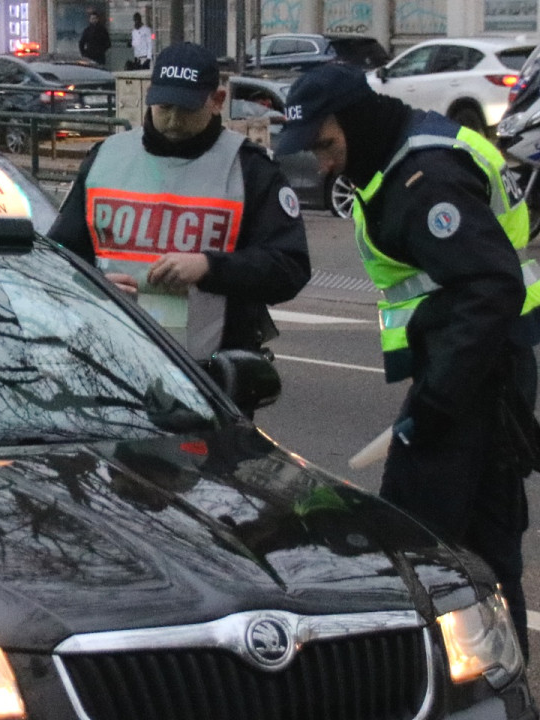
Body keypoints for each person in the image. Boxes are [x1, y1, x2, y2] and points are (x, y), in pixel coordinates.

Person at [276, 63, 540, 661]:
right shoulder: (404, 153)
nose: (322, 165)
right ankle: (499, 680)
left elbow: (488, 287)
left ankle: (446, 679)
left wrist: (435, 402)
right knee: (483, 540)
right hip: (472, 363)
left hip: (475, 373)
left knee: (421, 540)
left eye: (327, 145)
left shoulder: (426, 178)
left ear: (360, 121)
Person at [48, 42, 310, 371]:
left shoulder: (249, 169)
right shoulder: (105, 160)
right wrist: (92, 284)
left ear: (217, 101)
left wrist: (209, 268)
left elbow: (289, 268)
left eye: (186, 109)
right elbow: (58, 257)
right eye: (164, 106)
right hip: (114, 365)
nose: (172, 120)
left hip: (211, 379)